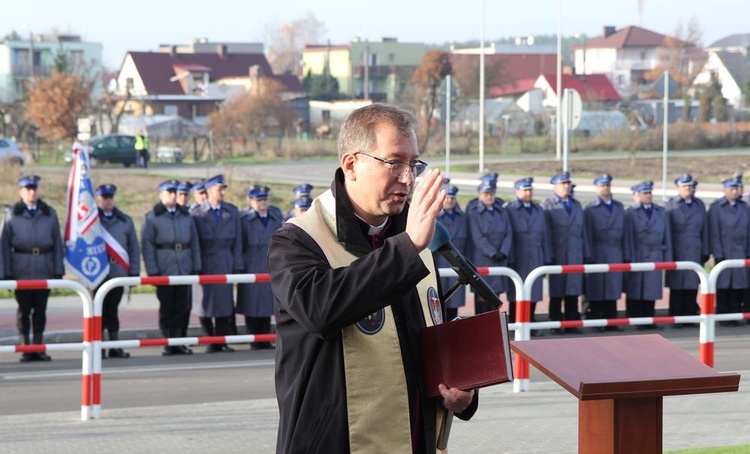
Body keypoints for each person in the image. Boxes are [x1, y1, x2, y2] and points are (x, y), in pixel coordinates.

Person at [269, 103, 477, 453]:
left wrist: (465, 392)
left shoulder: (418, 238)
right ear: (351, 164)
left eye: (413, 164)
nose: (408, 178)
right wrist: (407, 247)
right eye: (394, 162)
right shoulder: (297, 241)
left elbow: (431, 335)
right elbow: (321, 310)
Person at [1, 175, 64, 362]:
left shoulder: (48, 213)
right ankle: (26, 347)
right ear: (20, 192)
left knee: (40, 310)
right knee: (24, 310)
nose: (32, 192)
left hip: (43, 265)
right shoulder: (12, 214)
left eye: (34, 188)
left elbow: (57, 243)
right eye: (27, 189)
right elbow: (3, 245)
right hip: (22, 266)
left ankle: (38, 346)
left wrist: (57, 270)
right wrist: (5, 272)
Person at [141, 179, 201, 356]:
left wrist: (196, 266)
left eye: (175, 192)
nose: (173, 195)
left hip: (184, 265)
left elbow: (194, 242)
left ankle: (181, 341)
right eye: (169, 192)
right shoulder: (152, 218)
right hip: (165, 267)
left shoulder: (185, 216)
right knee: (168, 307)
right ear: (161, 195)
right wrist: (153, 271)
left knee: (183, 307)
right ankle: (168, 341)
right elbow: (147, 246)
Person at [190, 174, 243, 353]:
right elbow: (194, 241)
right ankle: (209, 340)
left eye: (223, 189)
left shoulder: (231, 211)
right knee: (204, 303)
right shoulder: (196, 213)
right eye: (218, 189)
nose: (222, 192)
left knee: (224, 302)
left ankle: (221, 340)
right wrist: (196, 265)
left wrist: (237, 265)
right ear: (210, 190)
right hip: (205, 260)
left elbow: (238, 242)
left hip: (225, 259)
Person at [95, 184, 141, 358]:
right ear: (98, 199)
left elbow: (133, 248)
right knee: (98, 312)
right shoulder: (90, 221)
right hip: (97, 273)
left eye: (110, 197)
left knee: (112, 311)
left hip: (117, 272)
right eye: (104, 198)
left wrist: (134, 272)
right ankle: (98, 347)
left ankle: (114, 346)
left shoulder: (124, 221)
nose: (108, 201)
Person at [541, 171, 589, 335]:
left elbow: (583, 233)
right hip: (558, 254)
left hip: (575, 254)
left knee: (573, 291)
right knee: (557, 291)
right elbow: (545, 234)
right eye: (563, 184)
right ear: (555, 186)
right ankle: (555, 323)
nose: (567, 186)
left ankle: (572, 323)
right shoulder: (548, 205)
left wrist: (586, 253)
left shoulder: (576, 205)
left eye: (568, 183)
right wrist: (547, 256)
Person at [236, 185, 284, 349]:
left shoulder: (275, 216)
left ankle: (265, 338)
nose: (263, 203)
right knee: (252, 302)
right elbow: (238, 244)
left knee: (267, 302)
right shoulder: (244, 219)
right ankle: (255, 338)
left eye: (265, 199)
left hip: (270, 262)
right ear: (250, 201)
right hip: (251, 262)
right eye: (258, 200)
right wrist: (239, 266)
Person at [624, 181, 673, 330]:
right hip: (638, 253)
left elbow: (667, 236)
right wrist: (628, 257)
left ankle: (649, 317)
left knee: (651, 289)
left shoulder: (660, 212)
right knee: (636, 288)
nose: (648, 196)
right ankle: (636, 318)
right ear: (638, 195)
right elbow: (628, 237)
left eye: (650, 193)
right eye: (645, 193)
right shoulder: (631, 213)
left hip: (655, 253)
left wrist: (667, 258)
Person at [504, 177, 550, 335]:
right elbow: (508, 233)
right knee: (516, 290)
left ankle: (531, 321)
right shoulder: (510, 209)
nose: (528, 193)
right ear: (517, 191)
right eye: (524, 190)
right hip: (518, 254)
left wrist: (546, 257)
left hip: (536, 254)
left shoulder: (538, 210)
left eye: (530, 190)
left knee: (534, 290)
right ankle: (514, 322)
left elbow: (545, 235)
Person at [583, 174, 627, 332]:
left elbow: (625, 234)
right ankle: (595, 318)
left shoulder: (618, 207)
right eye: (602, 186)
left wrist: (626, 254)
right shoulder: (590, 209)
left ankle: (611, 319)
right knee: (597, 287)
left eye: (607, 185)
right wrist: (588, 254)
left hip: (615, 250)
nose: (605, 188)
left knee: (612, 286)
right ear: (596, 188)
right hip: (597, 250)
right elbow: (586, 233)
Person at [665, 174, 709, 327]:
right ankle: (676, 316)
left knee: (692, 284)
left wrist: (705, 249)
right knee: (677, 286)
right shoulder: (671, 205)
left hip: (695, 249)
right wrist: (668, 254)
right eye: (684, 186)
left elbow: (705, 229)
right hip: (678, 249)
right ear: (678, 188)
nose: (688, 189)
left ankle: (690, 315)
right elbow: (667, 231)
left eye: (690, 186)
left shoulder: (699, 205)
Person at [466, 173, 512, 314]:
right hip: (483, 258)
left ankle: (494, 325)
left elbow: (508, 233)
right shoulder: (474, 213)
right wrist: (492, 252)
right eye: (486, 194)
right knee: (482, 293)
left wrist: (503, 251)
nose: (489, 197)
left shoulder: (501, 211)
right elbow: (477, 237)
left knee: (496, 294)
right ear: (480, 195)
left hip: (499, 258)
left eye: (491, 193)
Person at [708, 175, 750, 326]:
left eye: (736, 188)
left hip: (740, 250)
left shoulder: (744, 207)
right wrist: (718, 254)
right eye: (731, 189)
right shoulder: (717, 207)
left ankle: (735, 314)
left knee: (739, 285)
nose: (734, 191)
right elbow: (714, 232)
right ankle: (724, 315)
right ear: (725, 190)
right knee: (724, 286)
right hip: (725, 251)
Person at [434, 179, 468, 322]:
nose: (450, 201)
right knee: (439, 301)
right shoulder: (435, 217)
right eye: (447, 197)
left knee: (455, 301)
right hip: (440, 264)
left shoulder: (462, 217)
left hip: (457, 263)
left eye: (453, 198)